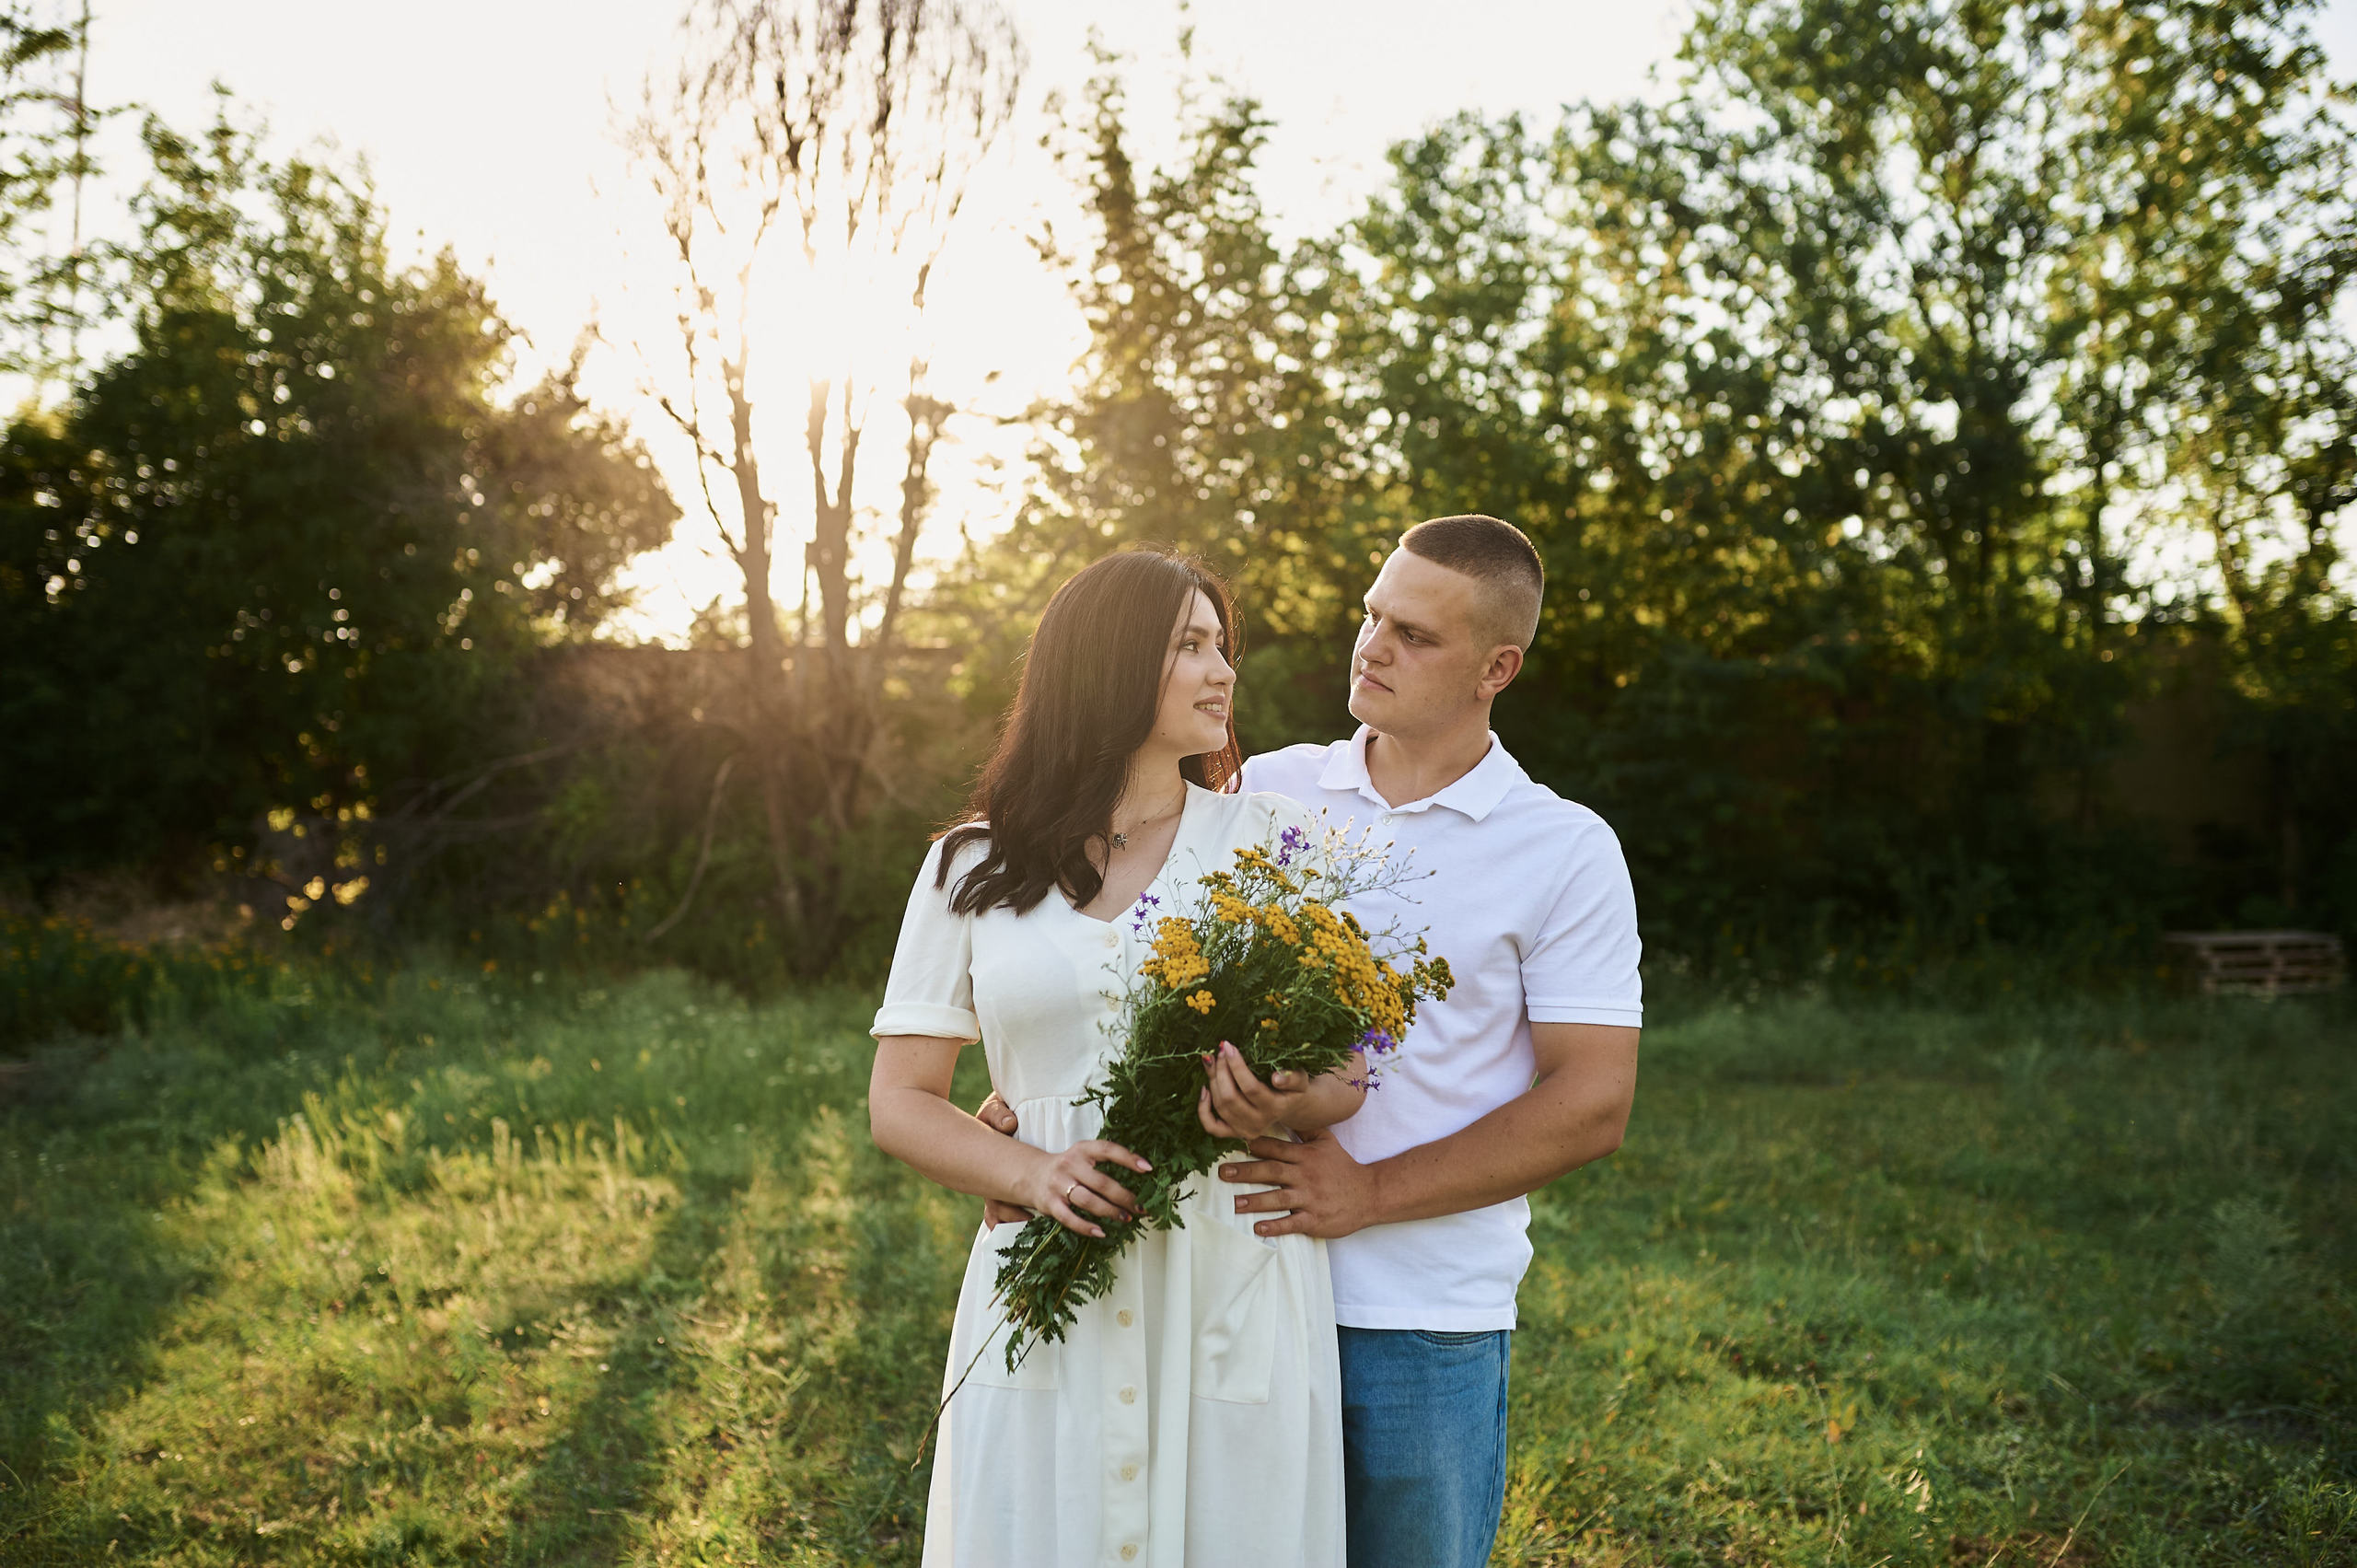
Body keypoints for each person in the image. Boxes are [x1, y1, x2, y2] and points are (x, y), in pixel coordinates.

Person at [981, 515, 1643, 1568]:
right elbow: (1131, 978)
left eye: (1414, 634)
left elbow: (1592, 1100)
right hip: (1209, 1278)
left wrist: (1371, 1195)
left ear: (1496, 666)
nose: (1371, 644)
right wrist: (1029, 1123)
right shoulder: (1261, 793)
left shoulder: (1561, 848)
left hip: (1416, 1315)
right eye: (1371, 614)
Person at [868, 547, 1363, 1568]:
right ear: (1105, 665)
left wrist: (1274, 1097)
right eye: (1189, 645)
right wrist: (1031, 1170)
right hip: (1050, 1273)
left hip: (1226, 1263)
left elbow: (1346, 1076)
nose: (1221, 670)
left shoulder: (1275, 843)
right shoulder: (970, 862)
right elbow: (902, 1101)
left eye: (1222, 646)